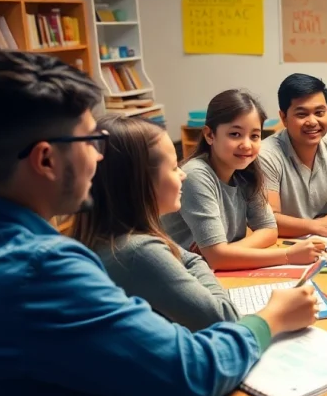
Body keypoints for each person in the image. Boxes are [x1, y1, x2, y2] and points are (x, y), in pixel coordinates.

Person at [0, 50, 323, 396]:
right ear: (45, 159)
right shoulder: (46, 268)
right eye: (91, 142)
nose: (100, 158)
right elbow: (195, 372)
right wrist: (272, 318)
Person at [73, 114, 240, 330]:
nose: (183, 175)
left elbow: (189, 259)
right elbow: (225, 317)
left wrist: (192, 262)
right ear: (140, 182)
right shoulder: (137, 252)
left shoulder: (111, 237)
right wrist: (197, 266)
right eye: (173, 167)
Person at [162, 89, 323, 271]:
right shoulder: (196, 175)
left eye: (255, 136)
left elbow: (269, 231)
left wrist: (224, 253)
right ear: (209, 135)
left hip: (211, 271)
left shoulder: (246, 171)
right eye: (235, 134)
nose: (247, 145)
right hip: (178, 275)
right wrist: (288, 256)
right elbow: (217, 259)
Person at [259, 73, 327, 238]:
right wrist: (319, 227)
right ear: (284, 117)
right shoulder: (266, 155)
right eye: (302, 114)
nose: (313, 121)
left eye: (319, 113)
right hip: (283, 246)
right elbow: (268, 220)